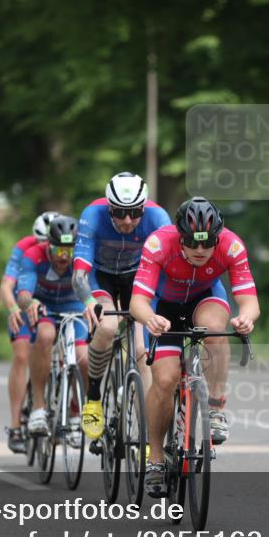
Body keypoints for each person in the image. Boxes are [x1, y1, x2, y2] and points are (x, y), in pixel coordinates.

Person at [128, 197, 259, 496]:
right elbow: (138, 301)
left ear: (218, 237)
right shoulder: (159, 244)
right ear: (179, 235)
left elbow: (249, 300)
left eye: (207, 243)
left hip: (205, 299)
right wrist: (150, 318)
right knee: (164, 379)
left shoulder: (232, 246)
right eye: (191, 243)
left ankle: (215, 408)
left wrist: (246, 319)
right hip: (165, 308)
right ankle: (157, 458)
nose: (200, 250)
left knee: (215, 329)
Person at [71, 172, 171, 443]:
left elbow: (169, 269)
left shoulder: (158, 218)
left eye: (135, 212)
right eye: (120, 212)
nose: (128, 220)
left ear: (144, 206)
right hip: (100, 277)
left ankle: (149, 440)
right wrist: (88, 301)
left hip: (137, 280)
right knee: (107, 325)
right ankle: (93, 397)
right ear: (109, 206)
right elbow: (79, 273)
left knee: (142, 350)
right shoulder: (93, 215)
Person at [16, 215, 90, 434]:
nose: (64, 256)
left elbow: (92, 289)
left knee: (84, 358)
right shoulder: (33, 256)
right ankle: (38, 408)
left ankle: (76, 410)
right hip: (44, 304)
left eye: (69, 250)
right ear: (49, 245)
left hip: (73, 305)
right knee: (45, 335)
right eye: (59, 250)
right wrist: (31, 302)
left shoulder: (81, 258)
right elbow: (23, 295)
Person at [0, 211, 57, 453]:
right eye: (41, 243)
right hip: (24, 302)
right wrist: (12, 307)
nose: (47, 249)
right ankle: (15, 425)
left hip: (53, 302)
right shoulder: (24, 248)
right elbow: (6, 286)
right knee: (22, 356)